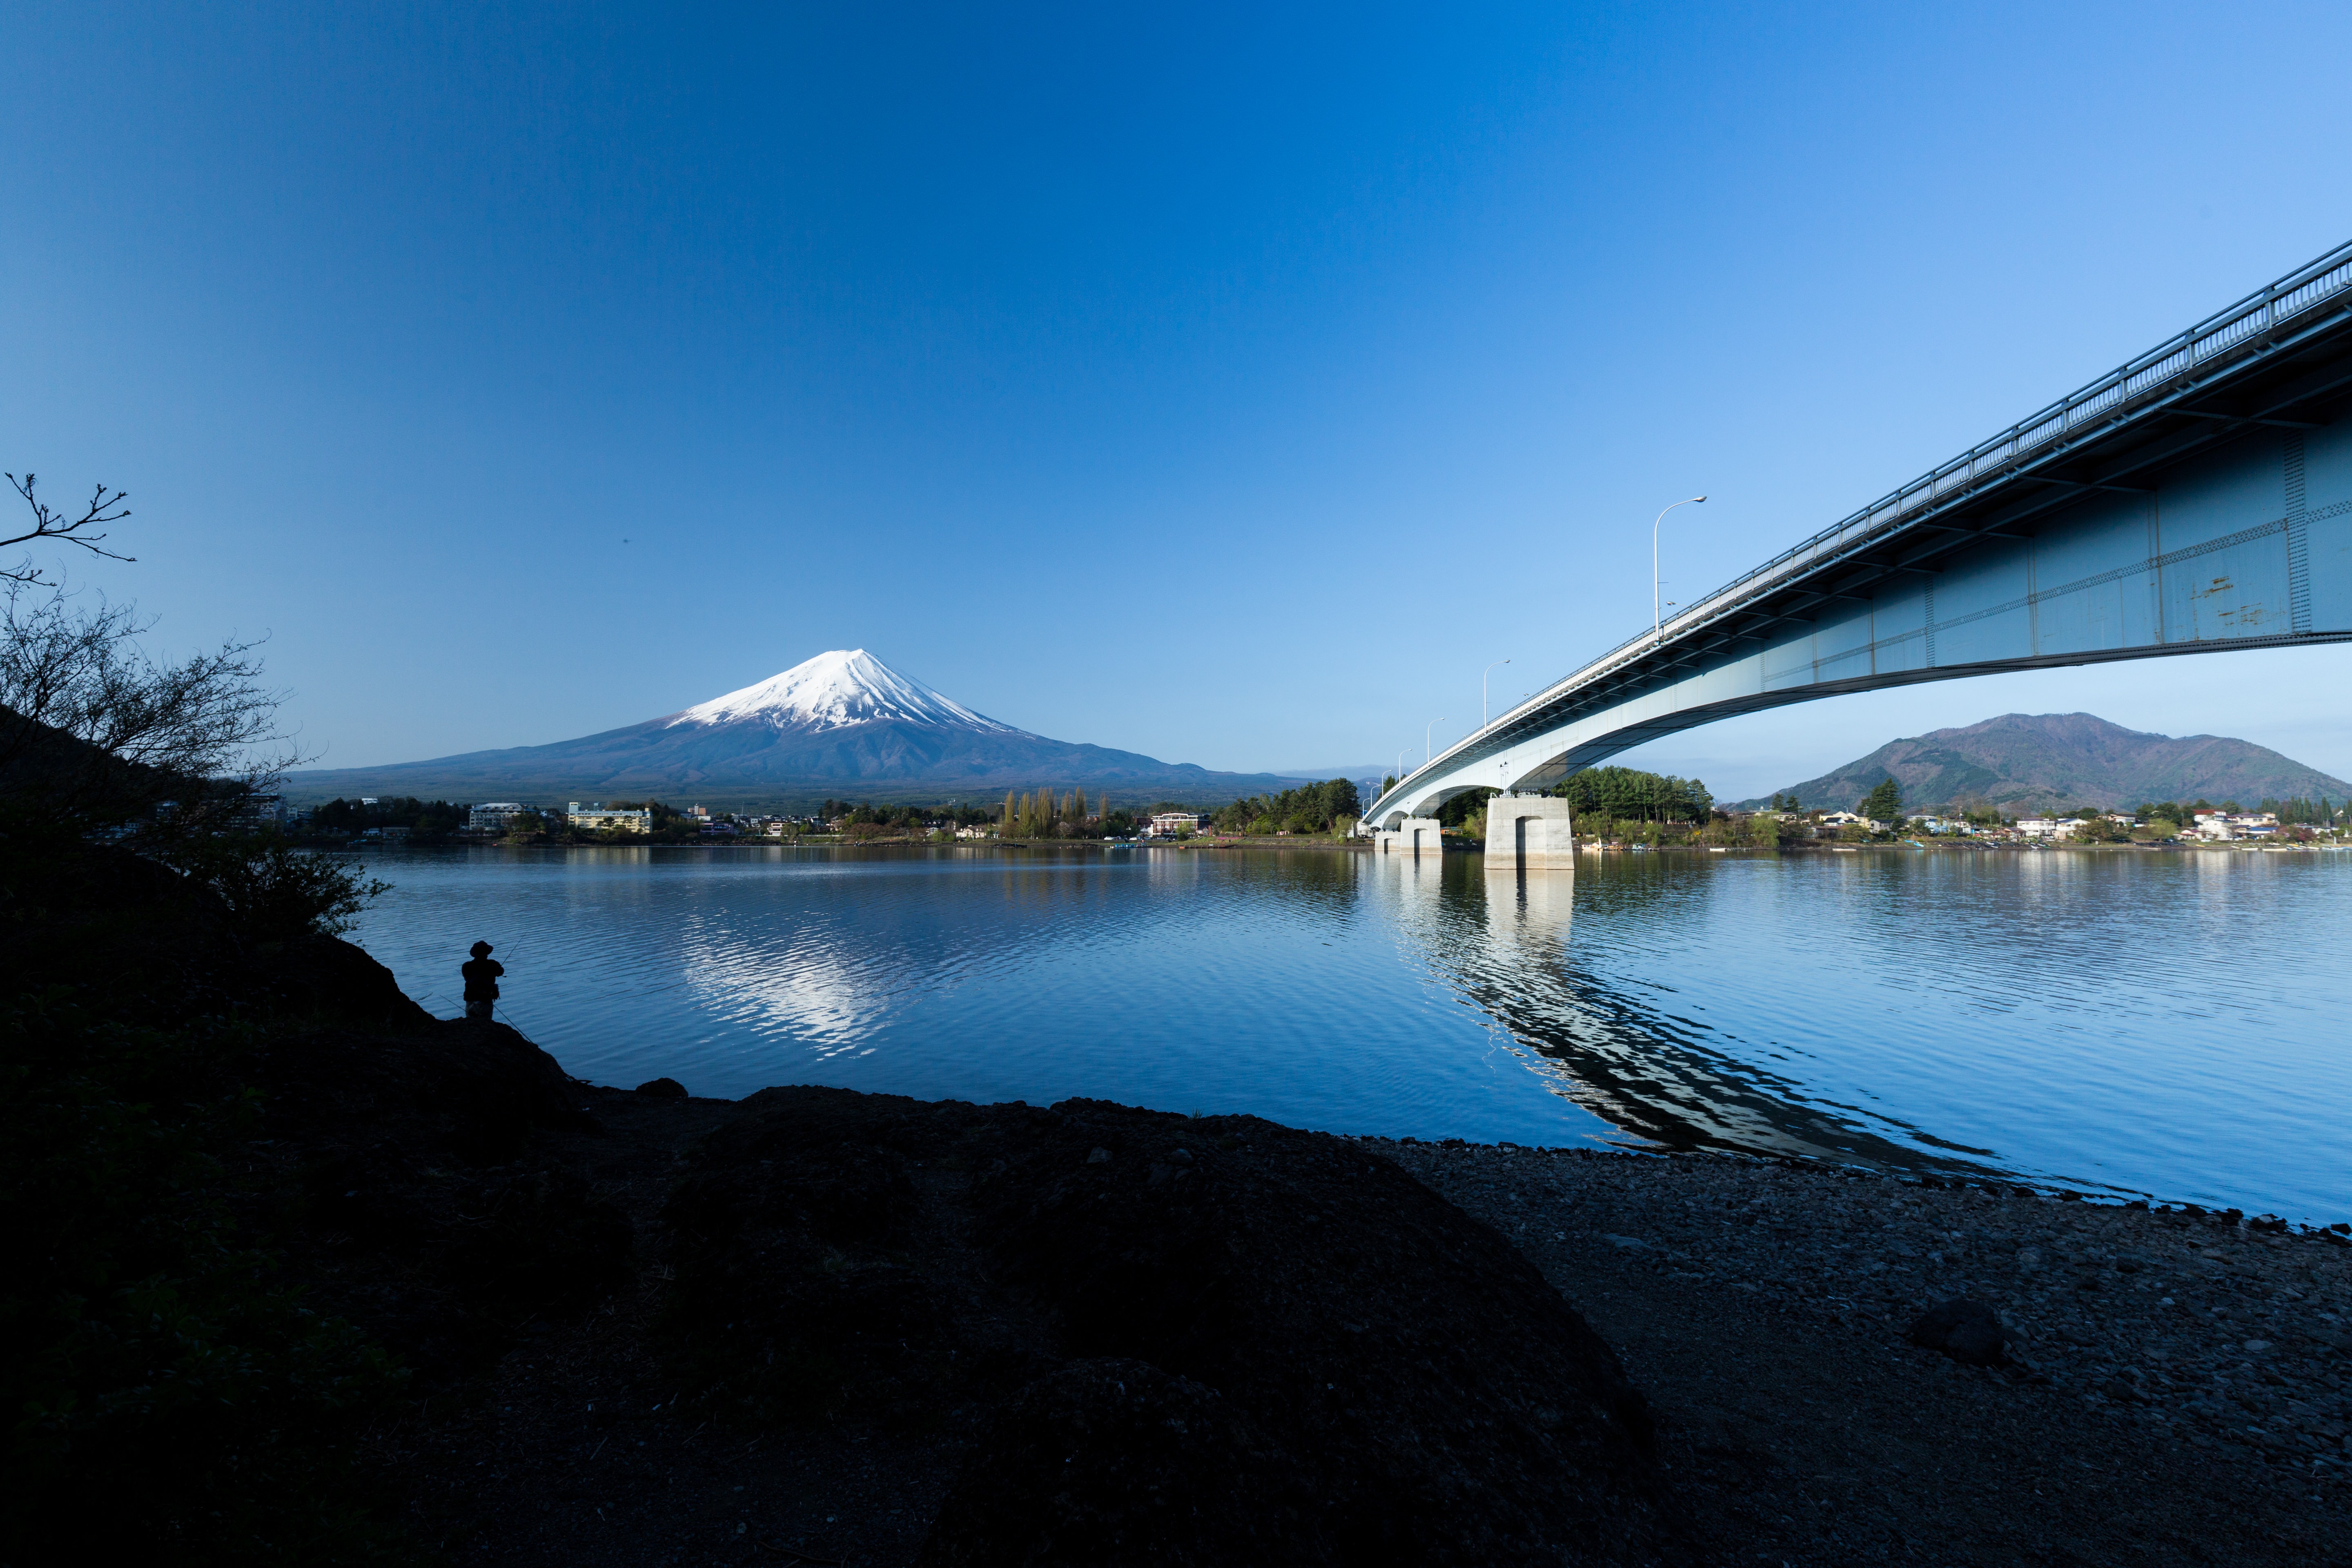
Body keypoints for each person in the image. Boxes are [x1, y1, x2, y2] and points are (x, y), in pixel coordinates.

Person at [461, 940, 504, 1021]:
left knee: (471, 1024)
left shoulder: (467, 966)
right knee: (485, 1025)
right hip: (485, 1000)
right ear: (487, 953)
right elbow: (501, 972)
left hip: (470, 999)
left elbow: (468, 979)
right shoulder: (492, 964)